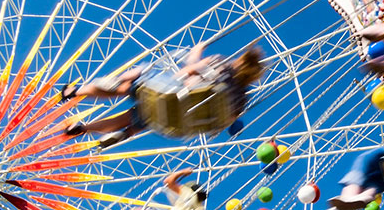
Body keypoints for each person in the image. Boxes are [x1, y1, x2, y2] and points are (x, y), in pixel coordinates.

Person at [61, 44, 264, 146]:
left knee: (133, 80)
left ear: (241, 61)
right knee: (132, 120)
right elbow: (219, 126)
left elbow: (188, 68)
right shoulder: (241, 102)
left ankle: (76, 91)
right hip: (176, 124)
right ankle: (88, 129)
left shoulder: (221, 65)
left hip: (167, 95)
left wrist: (197, 50)